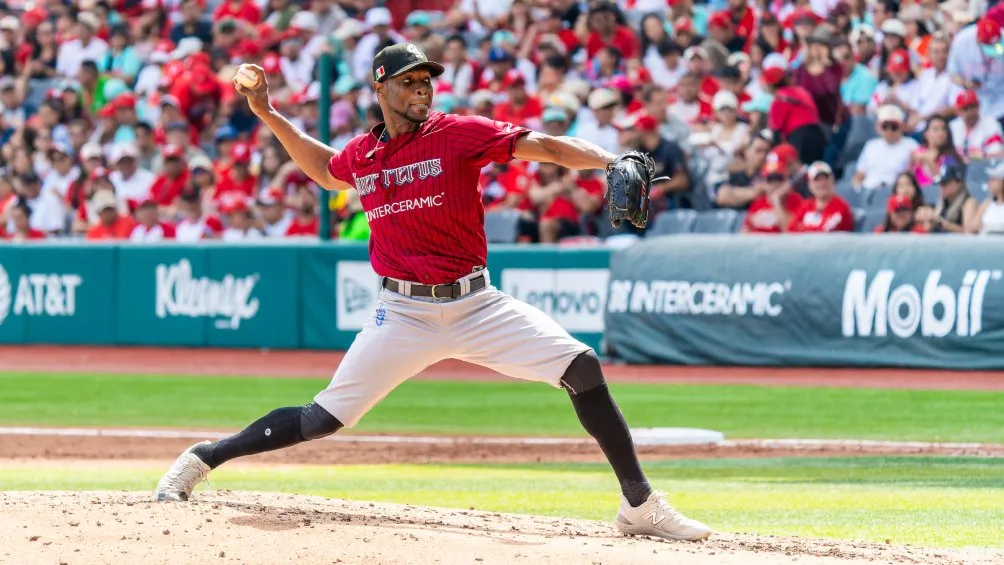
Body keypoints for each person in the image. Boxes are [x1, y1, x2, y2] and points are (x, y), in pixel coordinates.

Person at [154, 43, 712, 542]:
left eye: (426, 81)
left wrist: (609, 160)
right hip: (403, 312)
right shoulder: (364, 157)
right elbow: (325, 169)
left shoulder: (456, 133)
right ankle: (205, 457)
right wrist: (268, 113)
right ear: (381, 88)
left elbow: (545, 146)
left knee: (583, 368)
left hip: (477, 304)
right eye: (408, 81)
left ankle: (638, 504)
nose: (421, 90)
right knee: (322, 417)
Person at [853, 104, 920, 191]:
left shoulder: (911, 146)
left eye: (893, 126)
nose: (889, 131)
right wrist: (857, 190)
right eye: (885, 126)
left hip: (896, 192)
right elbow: (859, 176)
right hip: (869, 191)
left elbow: (915, 176)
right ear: (878, 127)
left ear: (902, 126)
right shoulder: (871, 146)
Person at [788, 161, 854, 232]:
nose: (822, 183)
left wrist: (802, 227)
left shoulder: (841, 206)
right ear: (810, 184)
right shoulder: (806, 205)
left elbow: (823, 231)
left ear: (832, 180)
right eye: (817, 180)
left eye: (825, 178)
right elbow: (791, 229)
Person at [741, 159, 803, 233]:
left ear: (786, 181)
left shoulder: (795, 199)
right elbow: (744, 231)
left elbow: (789, 230)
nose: (775, 183)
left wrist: (776, 202)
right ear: (763, 183)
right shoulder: (758, 203)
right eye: (770, 179)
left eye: (779, 178)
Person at [916, 162, 977, 233]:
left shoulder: (968, 202)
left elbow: (968, 232)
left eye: (945, 184)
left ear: (958, 183)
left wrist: (942, 223)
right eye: (941, 184)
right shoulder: (942, 202)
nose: (942, 187)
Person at [968, 161, 1004, 234]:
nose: (990, 183)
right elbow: (972, 227)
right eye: (990, 179)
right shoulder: (986, 204)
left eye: (994, 179)